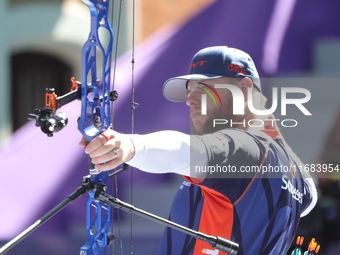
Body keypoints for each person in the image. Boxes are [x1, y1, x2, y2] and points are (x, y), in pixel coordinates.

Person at [79, 46, 318, 255]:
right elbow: (310, 199)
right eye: (189, 91)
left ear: (244, 89)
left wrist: (130, 146)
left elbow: (184, 150)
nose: (189, 100)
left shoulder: (243, 148)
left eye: (203, 88)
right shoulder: (287, 167)